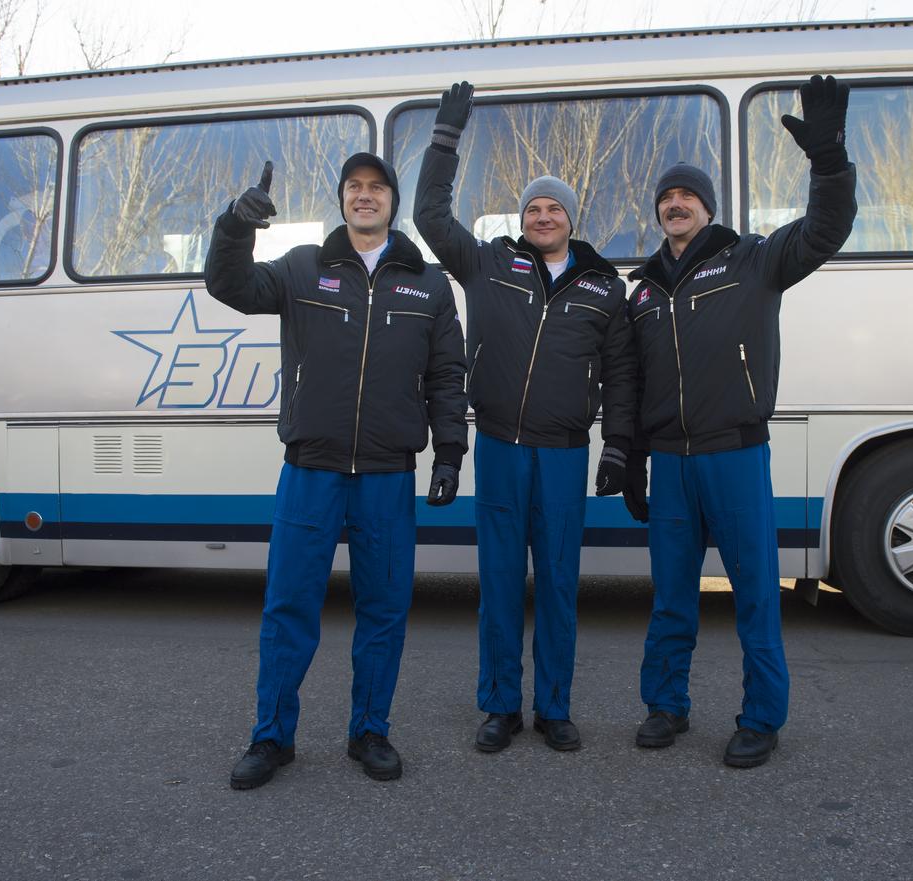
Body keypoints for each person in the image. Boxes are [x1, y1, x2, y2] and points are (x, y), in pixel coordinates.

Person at [205, 154, 468, 786]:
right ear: (342, 199)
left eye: (377, 188)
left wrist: (451, 454)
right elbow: (230, 287)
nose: (365, 196)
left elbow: (447, 376)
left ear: (392, 201)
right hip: (311, 470)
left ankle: (370, 732)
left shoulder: (429, 285)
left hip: (386, 474)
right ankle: (272, 739)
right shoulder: (302, 268)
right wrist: (237, 226)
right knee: (289, 605)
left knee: (384, 608)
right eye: (354, 187)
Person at [622, 75, 857, 769]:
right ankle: (666, 706)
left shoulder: (752, 260)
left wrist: (829, 161)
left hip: (735, 456)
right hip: (671, 464)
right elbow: (631, 381)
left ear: (707, 208)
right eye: (666, 196)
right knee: (670, 599)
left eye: (687, 194)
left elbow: (825, 230)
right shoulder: (641, 291)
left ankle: (761, 717)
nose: (675, 202)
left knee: (755, 594)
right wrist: (631, 455)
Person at [414, 82, 637, 753]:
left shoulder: (604, 287)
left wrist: (618, 447)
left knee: (561, 588)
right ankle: (500, 706)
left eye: (554, 208)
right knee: (501, 587)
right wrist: (444, 142)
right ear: (523, 218)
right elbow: (428, 214)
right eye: (534, 208)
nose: (543, 216)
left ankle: (556, 708)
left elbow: (624, 373)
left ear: (572, 217)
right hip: (503, 448)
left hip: (566, 453)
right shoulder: (487, 263)